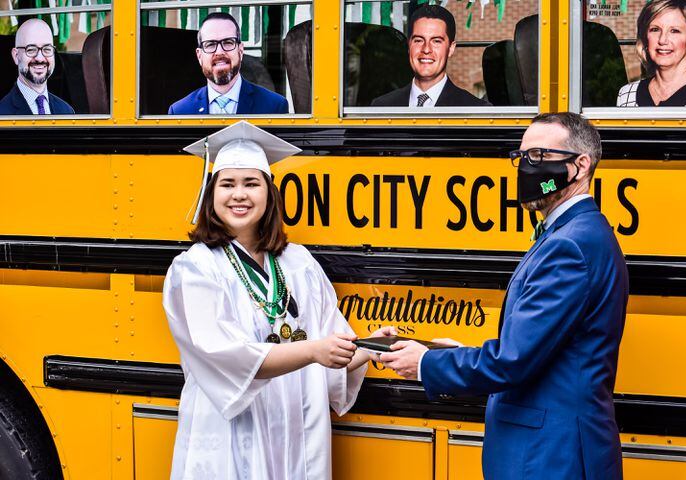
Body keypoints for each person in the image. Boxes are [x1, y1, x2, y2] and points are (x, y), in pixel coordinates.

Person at [380, 112, 628, 480]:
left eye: (540, 157)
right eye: (522, 157)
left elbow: (513, 361)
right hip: (554, 450)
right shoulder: (575, 233)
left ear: (579, 166)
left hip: (552, 457)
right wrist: (449, 352)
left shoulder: (570, 246)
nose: (527, 169)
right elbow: (540, 349)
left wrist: (425, 364)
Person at [163, 121, 393, 479]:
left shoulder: (298, 262)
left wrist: (371, 348)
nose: (239, 194)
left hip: (296, 430)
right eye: (227, 184)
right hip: (233, 434)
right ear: (211, 194)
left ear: (269, 194)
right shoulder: (194, 269)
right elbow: (228, 357)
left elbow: (330, 350)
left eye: (251, 183)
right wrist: (314, 351)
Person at [168, 13, 289, 115]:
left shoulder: (275, 106)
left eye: (228, 42)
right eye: (210, 44)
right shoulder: (180, 111)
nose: (219, 52)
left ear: (240, 51)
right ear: (199, 56)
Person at [371, 5, 490, 107]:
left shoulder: (475, 110)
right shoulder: (381, 106)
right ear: (409, 46)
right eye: (418, 40)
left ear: (451, 49)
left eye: (436, 41)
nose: (426, 49)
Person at [617, 0, 686, 107]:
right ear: (645, 38)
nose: (662, 40)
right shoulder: (626, 95)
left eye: (674, 31)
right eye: (655, 29)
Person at [0, 18, 74, 115]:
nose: (40, 58)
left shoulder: (66, 111)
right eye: (31, 50)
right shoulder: (2, 113)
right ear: (16, 56)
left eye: (47, 49)